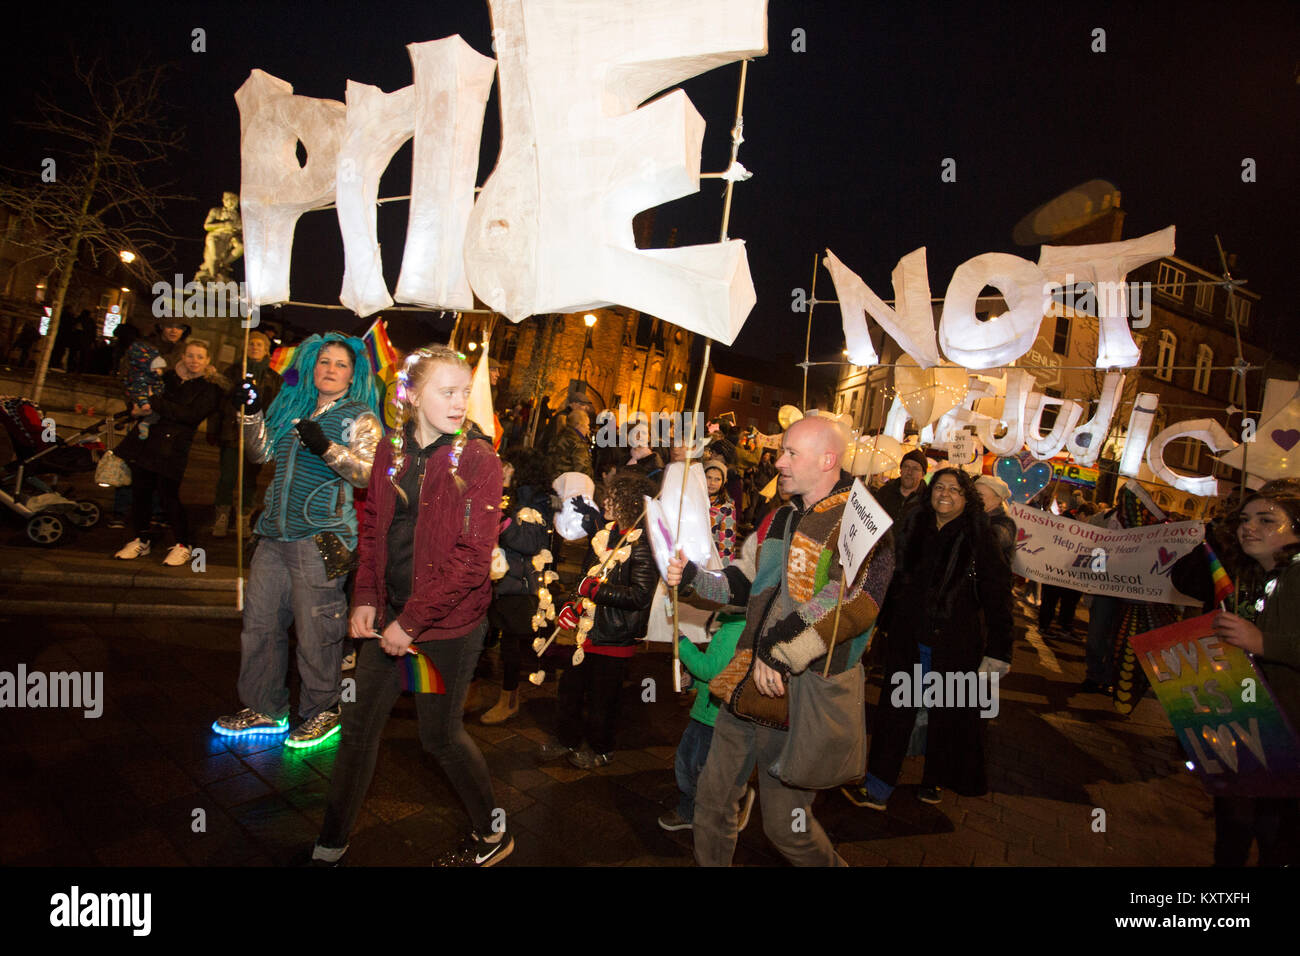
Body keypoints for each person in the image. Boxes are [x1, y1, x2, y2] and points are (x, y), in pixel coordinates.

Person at [310, 345, 510, 866]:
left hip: (443, 631)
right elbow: (374, 527)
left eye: (464, 392)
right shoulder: (391, 449)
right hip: (388, 621)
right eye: (447, 391)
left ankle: (494, 833)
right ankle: (329, 845)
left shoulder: (479, 460)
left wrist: (412, 622)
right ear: (414, 394)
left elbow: (471, 559)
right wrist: (366, 597)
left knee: (439, 737)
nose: (459, 401)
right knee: (356, 731)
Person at [665, 416, 895, 866]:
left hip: (798, 700)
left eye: (791, 453)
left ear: (828, 460)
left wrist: (779, 650)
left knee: (785, 825)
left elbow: (852, 603)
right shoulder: (779, 518)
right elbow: (744, 582)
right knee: (711, 803)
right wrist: (693, 578)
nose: (779, 461)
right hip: (745, 686)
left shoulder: (860, 524)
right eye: (782, 451)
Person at [213, 333, 383, 748]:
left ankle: (323, 710)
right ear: (312, 366)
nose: (330, 369)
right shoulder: (291, 406)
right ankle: (264, 708)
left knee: (317, 629)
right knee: (260, 624)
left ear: (352, 374)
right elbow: (259, 454)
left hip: (323, 539)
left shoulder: (360, 416)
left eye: (340, 364)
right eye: (324, 362)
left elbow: (369, 473)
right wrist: (252, 413)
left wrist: (327, 448)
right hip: (273, 534)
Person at [850, 466, 1012, 810]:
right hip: (908, 639)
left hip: (955, 645)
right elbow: (890, 577)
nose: (945, 494)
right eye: (940, 487)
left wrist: (999, 650)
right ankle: (878, 787)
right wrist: (877, 620)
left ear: (966, 498)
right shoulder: (912, 526)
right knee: (895, 712)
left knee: (945, 717)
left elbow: (998, 596)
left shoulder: (980, 537)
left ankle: (932, 780)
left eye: (954, 490)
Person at [1206, 480, 1300, 865]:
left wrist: (1261, 643)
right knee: (1237, 828)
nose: (1250, 527)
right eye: (1245, 519)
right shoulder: (1271, 578)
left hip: (1286, 741)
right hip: (1259, 729)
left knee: (1271, 839)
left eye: (1267, 519)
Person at [539, 471, 657, 769]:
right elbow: (584, 578)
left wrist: (597, 591)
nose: (606, 502)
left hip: (614, 633)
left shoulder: (642, 544)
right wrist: (570, 605)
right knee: (571, 689)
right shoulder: (604, 535)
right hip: (587, 631)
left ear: (629, 504)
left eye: (613, 499)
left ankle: (601, 748)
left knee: (603, 699)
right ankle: (566, 738)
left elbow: (639, 595)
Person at [658, 532, 758, 834]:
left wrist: (682, 644)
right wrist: (690, 684)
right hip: (704, 711)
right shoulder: (728, 626)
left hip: (717, 718)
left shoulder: (737, 629)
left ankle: (727, 807)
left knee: (702, 769)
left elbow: (712, 669)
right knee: (688, 763)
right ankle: (692, 809)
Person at [112, 339, 224, 565]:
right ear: (182, 356)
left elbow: (190, 415)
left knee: (168, 496)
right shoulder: (167, 378)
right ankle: (140, 538)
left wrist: (154, 402)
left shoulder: (210, 387)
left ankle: (183, 543)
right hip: (147, 442)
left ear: (208, 361)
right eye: (190, 355)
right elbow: (143, 397)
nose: (194, 361)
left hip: (173, 448)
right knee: (141, 494)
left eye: (200, 357)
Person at [481, 445, 554, 725]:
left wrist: (503, 518)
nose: (503, 469)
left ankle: (508, 701)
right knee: (488, 638)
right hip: (499, 579)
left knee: (511, 647)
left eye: (508, 466)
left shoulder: (532, 500)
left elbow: (529, 542)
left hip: (519, 584)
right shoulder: (509, 494)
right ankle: (475, 691)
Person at [208, 331, 280, 538]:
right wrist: (214, 429)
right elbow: (219, 404)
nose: (254, 347)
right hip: (231, 433)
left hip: (256, 436)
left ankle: (244, 517)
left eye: (259, 344)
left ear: (266, 349)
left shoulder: (273, 376)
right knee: (227, 476)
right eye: (251, 344)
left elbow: (274, 406)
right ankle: (222, 515)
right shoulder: (233, 371)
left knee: (249, 479)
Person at [875, 448, 928, 520]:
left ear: (923, 474)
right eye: (906, 467)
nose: (909, 472)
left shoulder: (928, 502)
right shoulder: (884, 492)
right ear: (901, 470)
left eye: (915, 469)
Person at [976, 474, 1017, 566]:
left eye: (980, 495)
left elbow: (991, 543)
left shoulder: (1005, 523)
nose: (975, 498)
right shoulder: (975, 515)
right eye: (974, 494)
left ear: (998, 499)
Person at [703, 457, 737, 565]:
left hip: (712, 562)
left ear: (724, 481)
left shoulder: (726, 508)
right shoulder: (695, 500)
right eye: (709, 477)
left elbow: (727, 542)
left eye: (717, 479)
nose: (712, 483)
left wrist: (723, 570)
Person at [547, 406, 593, 479]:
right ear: (579, 425)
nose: (588, 428)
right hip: (569, 485)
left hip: (554, 481)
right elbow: (582, 470)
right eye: (587, 425)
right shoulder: (577, 443)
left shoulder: (559, 436)